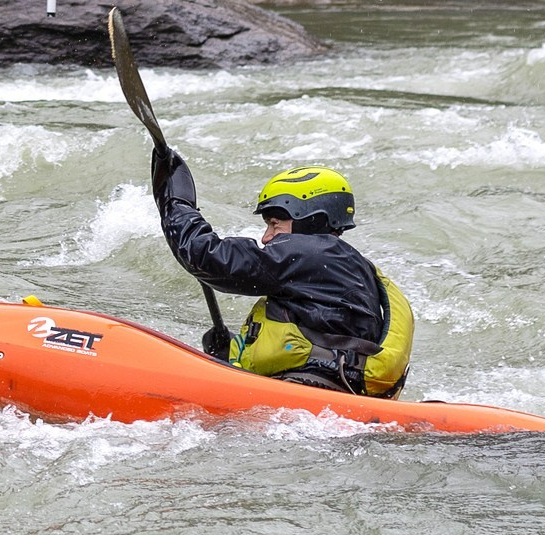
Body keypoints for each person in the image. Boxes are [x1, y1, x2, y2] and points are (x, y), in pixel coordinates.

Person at [151, 148, 413, 397]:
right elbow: (331, 338)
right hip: (326, 391)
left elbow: (206, 256)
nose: (266, 237)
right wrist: (232, 351)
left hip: (311, 391)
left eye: (275, 223)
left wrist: (176, 203)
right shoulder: (346, 265)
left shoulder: (313, 252)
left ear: (310, 218)